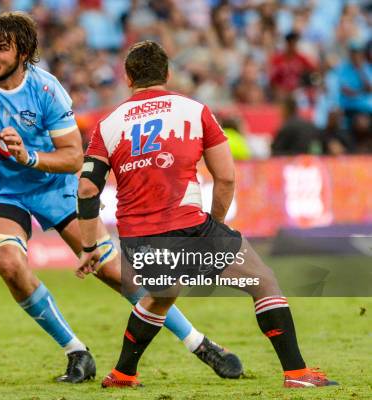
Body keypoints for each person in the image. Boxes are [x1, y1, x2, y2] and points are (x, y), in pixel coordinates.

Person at [0, 11, 243, 382]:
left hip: (55, 188)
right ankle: (76, 352)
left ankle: (200, 343)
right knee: (9, 263)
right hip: (0, 191)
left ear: (23, 53)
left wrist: (29, 156)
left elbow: (75, 156)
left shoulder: (47, 90)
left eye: (3, 49)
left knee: (114, 272)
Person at [77, 40, 338, 389]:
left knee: (162, 294)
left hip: (137, 237)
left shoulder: (107, 124)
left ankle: (124, 373)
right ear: (168, 74)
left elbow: (86, 189)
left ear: (127, 77)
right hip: (188, 227)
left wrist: (90, 244)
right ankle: (297, 374)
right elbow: (226, 176)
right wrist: (214, 225)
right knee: (263, 282)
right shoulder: (194, 110)